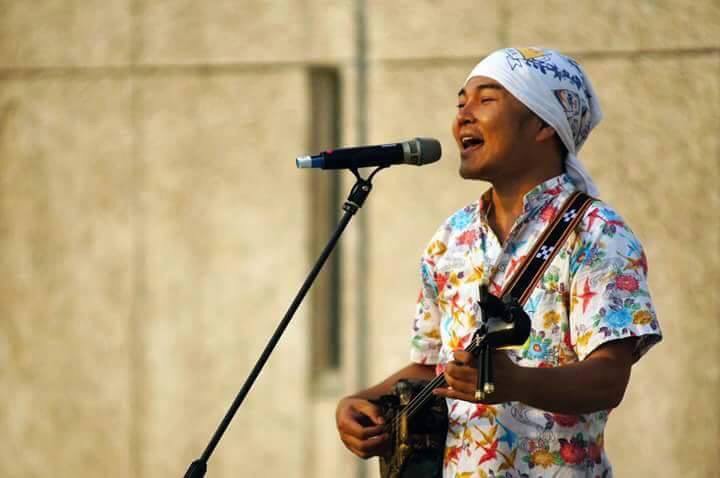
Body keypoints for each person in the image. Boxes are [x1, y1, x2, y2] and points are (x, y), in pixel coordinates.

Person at [335, 47, 662, 477]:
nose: (463, 115)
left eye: (486, 99)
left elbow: (609, 378)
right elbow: (434, 366)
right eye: (460, 103)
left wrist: (516, 382)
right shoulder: (450, 238)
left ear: (545, 123)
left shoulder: (598, 232)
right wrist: (362, 404)